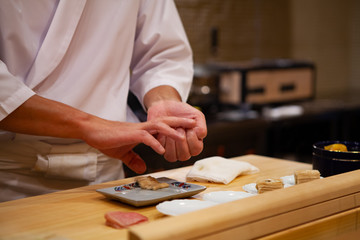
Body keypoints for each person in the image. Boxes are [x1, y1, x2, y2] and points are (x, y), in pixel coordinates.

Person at [0, 0, 207, 202]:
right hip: (9, 180)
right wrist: (88, 126)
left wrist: (163, 101)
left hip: (107, 182)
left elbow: (162, 53)